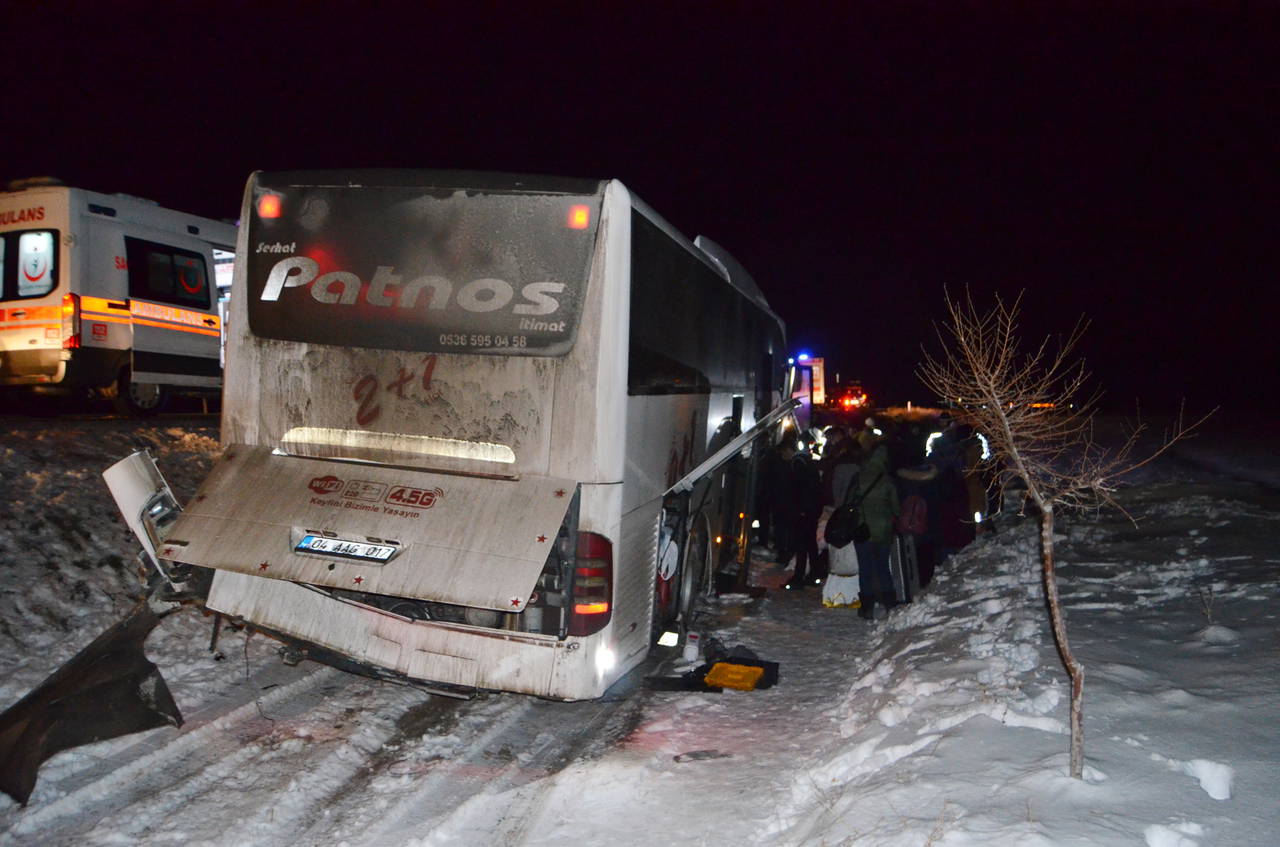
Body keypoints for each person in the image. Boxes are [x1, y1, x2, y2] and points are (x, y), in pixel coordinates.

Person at [853, 427, 900, 619]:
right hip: (883, 530)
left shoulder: (860, 477)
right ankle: (889, 602)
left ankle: (867, 607)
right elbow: (896, 508)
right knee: (882, 566)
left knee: (865, 568)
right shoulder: (887, 481)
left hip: (862, 530)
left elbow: (850, 502)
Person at [784, 439, 824, 590]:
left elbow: (799, 488)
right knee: (810, 543)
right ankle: (814, 573)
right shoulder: (809, 463)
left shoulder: (798, 464)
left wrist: (799, 509)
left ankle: (798, 577)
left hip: (803, 511)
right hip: (812, 510)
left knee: (801, 544)